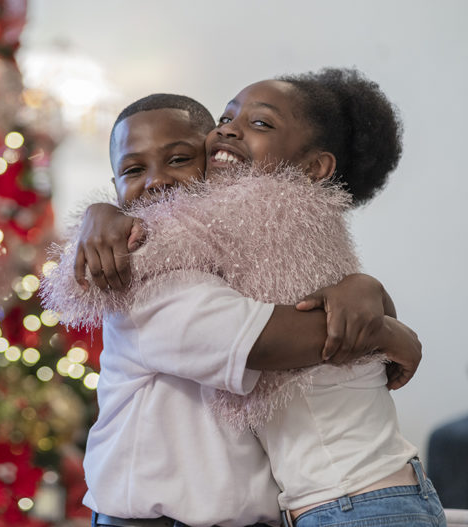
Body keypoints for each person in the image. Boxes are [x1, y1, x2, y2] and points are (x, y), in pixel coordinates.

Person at [51, 69, 445, 527]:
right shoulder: (140, 272)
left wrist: (364, 288)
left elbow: (306, 295)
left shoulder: (251, 255)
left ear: (215, 164)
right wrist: (386, 331)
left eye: (179, 159)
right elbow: (265, 339)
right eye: (134, 170)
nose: (156, 182)